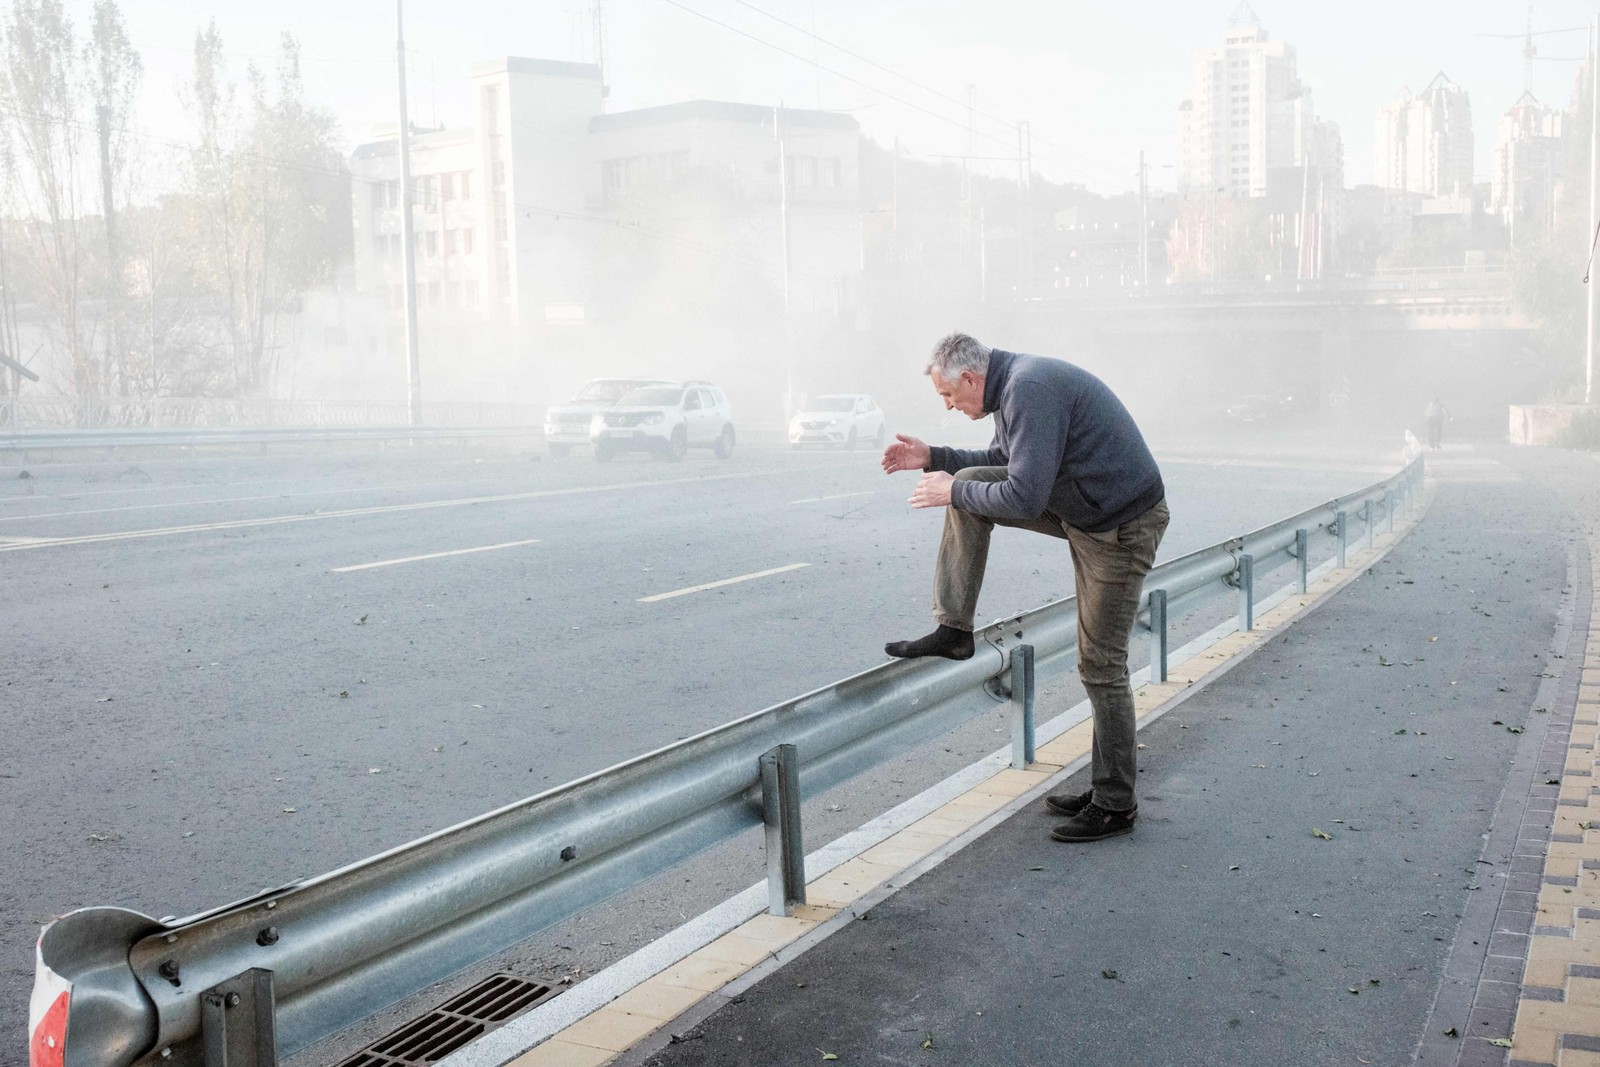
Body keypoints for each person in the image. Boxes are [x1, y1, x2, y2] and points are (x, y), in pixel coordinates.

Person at [881, 333, 1169, 843]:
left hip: (1119, 526)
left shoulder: (1028, 388)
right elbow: (1003, 459)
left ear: (970, 379)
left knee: (1100, 665)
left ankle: (1115, 803)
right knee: (967, 479)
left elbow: (1025, 494)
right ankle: (954, 629)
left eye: (948, 396)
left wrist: (954, 489)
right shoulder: (1011, 387)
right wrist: (934, 458)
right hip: (1083, 509)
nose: (949, 406)